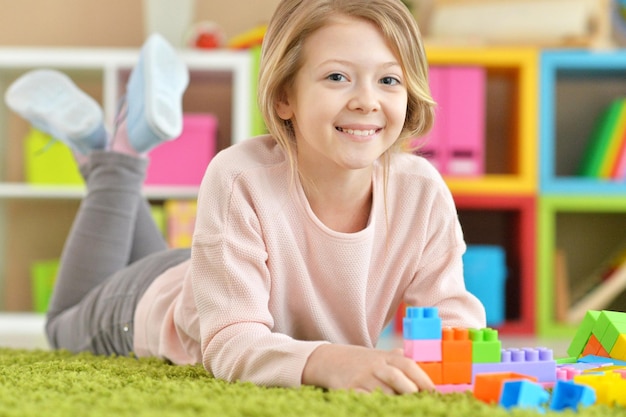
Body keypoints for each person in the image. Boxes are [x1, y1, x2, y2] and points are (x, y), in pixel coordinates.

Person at [5, 0, 486, 395]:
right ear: (284, 98)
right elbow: (230, 342)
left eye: (389, 79)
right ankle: (119, 152)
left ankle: (103, 145)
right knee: (60, 323)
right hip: (144, 308)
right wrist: (327, 360)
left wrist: (459, 365)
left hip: (210, 278)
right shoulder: (240, 176)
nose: (367, 99)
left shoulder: (422, 190)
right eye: (337, 77)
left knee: (177, 280)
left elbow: (452, 316)